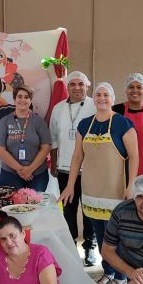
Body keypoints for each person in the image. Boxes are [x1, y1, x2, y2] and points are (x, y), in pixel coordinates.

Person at [59, 82, 138, 284]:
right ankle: (108, 271)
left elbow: (134, 156)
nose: (102, 98)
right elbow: (77, 156)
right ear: (93, 99)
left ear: (112, 98)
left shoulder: (123, 123)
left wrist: (131, 185)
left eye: (106, 94)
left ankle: (121, 276)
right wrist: (69, 186)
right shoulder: (85, 124)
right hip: (91, 188)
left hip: (115, 188)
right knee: (99, 234)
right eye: (98, 95)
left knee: (116, 235)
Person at [49, 71, 97, 265]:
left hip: (90, 169)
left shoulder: (95, 105)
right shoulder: (58, 108)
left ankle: (90, 248)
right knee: (68, 210)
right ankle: (71, 246)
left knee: (89, 211)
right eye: (73, 84)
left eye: (81, 84)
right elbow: (53, 139)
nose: (77, 87)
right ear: (67, 87)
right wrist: (53, 162)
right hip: (64, 169)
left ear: (87, 86)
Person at [0, 85, 51, 191]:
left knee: (35, 206)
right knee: (13, 206)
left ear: (30, 101)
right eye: (19, 96)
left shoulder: (39, 121)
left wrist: (30, 169)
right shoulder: (5, 121)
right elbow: (0, 149)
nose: (22, 100)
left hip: (37, 174)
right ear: (14, 99)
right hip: (10, 174)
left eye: (26, 97)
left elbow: (46, 147)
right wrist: (21, 170)